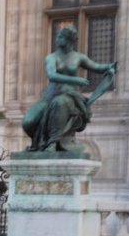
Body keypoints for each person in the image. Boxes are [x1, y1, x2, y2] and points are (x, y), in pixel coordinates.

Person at [21, 25, 116, 154]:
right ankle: (41, 142)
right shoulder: (51, 57)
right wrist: (76, 80)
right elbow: (51, 75)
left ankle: (52, 143)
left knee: (60, 103)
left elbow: (97, 67)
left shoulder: (79, 57)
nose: (56, 39)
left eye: (60, 36)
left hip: (69, 95)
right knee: (28, 122)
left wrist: (109, 67)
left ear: (68, 39)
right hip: (50, 94)